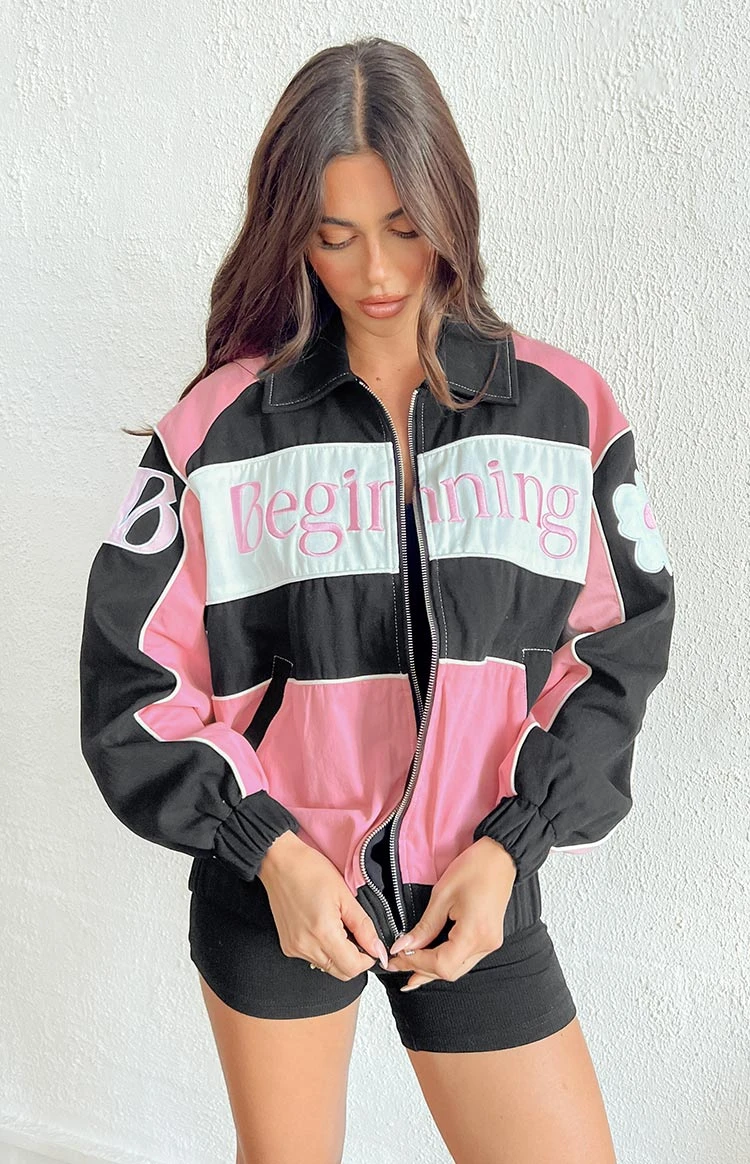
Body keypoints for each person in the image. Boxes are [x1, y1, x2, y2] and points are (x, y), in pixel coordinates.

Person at [78, 36, 675, 1164]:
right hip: (279, 890)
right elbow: (132, 687)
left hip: (476, 885)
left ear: (450, 207)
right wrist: (269, 848)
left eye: (404, 226)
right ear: (290, 235)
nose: (377, 271)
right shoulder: (218, 433)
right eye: (334, 234)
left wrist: (515, 842)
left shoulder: (565, 411)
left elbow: (617, 647)